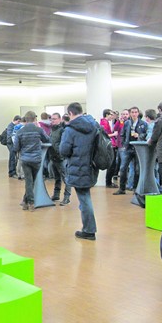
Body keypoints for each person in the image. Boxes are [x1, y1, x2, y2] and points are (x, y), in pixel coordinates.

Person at [60, 102, 98, 240]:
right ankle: (88, 228)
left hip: (77, 167)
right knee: (85, 197)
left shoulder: (70, 130)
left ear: (70, 113)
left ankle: (89, 230)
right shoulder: (94, 125)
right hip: (91, 166)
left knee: (84, 199)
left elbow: (64, 150)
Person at [13, 111, 49, 211]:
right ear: (34, 119)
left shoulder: (20, 131)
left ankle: (25, 201)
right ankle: (31, 203)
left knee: (29, 181)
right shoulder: (39, 130)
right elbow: (47, 139)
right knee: (32, 181)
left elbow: (16, 147)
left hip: (25, 159)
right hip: (36, 159)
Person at [114, 106, 147, 195]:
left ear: (138, 113)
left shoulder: (143, 123)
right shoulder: (127, 123)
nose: (134, 114)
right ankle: (122, 188)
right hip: (128, 148)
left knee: (137, 169)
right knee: (123, 168)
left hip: (138, 148)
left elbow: (146, 135)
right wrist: (124, 145)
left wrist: (139, 135)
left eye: (135, 112)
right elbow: (122, 134)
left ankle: (135, 188)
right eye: (132, 112)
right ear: (130, 113)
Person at [49, 112, 69, 205]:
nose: (52, 120)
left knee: (66, 178)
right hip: (53, 157)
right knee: (57, 178)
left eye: (54, 119)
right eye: (51, 119)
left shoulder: (62, 130)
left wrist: (61, 154)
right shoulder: (52, 130)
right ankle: (56, 194)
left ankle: (67, 197)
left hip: (61, 158)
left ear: (60, 119)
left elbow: (64, 144)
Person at [100, 109, 118, 188]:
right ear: (107, 115)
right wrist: (114, 134)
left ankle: (109, 182)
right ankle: (108, 182)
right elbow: (105, 135)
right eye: (111, 114)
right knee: (111, 164)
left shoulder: (106, 122)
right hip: (109, 145)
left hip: (111, 144)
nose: (112, 116)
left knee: (112, 164)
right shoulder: (104, 122)